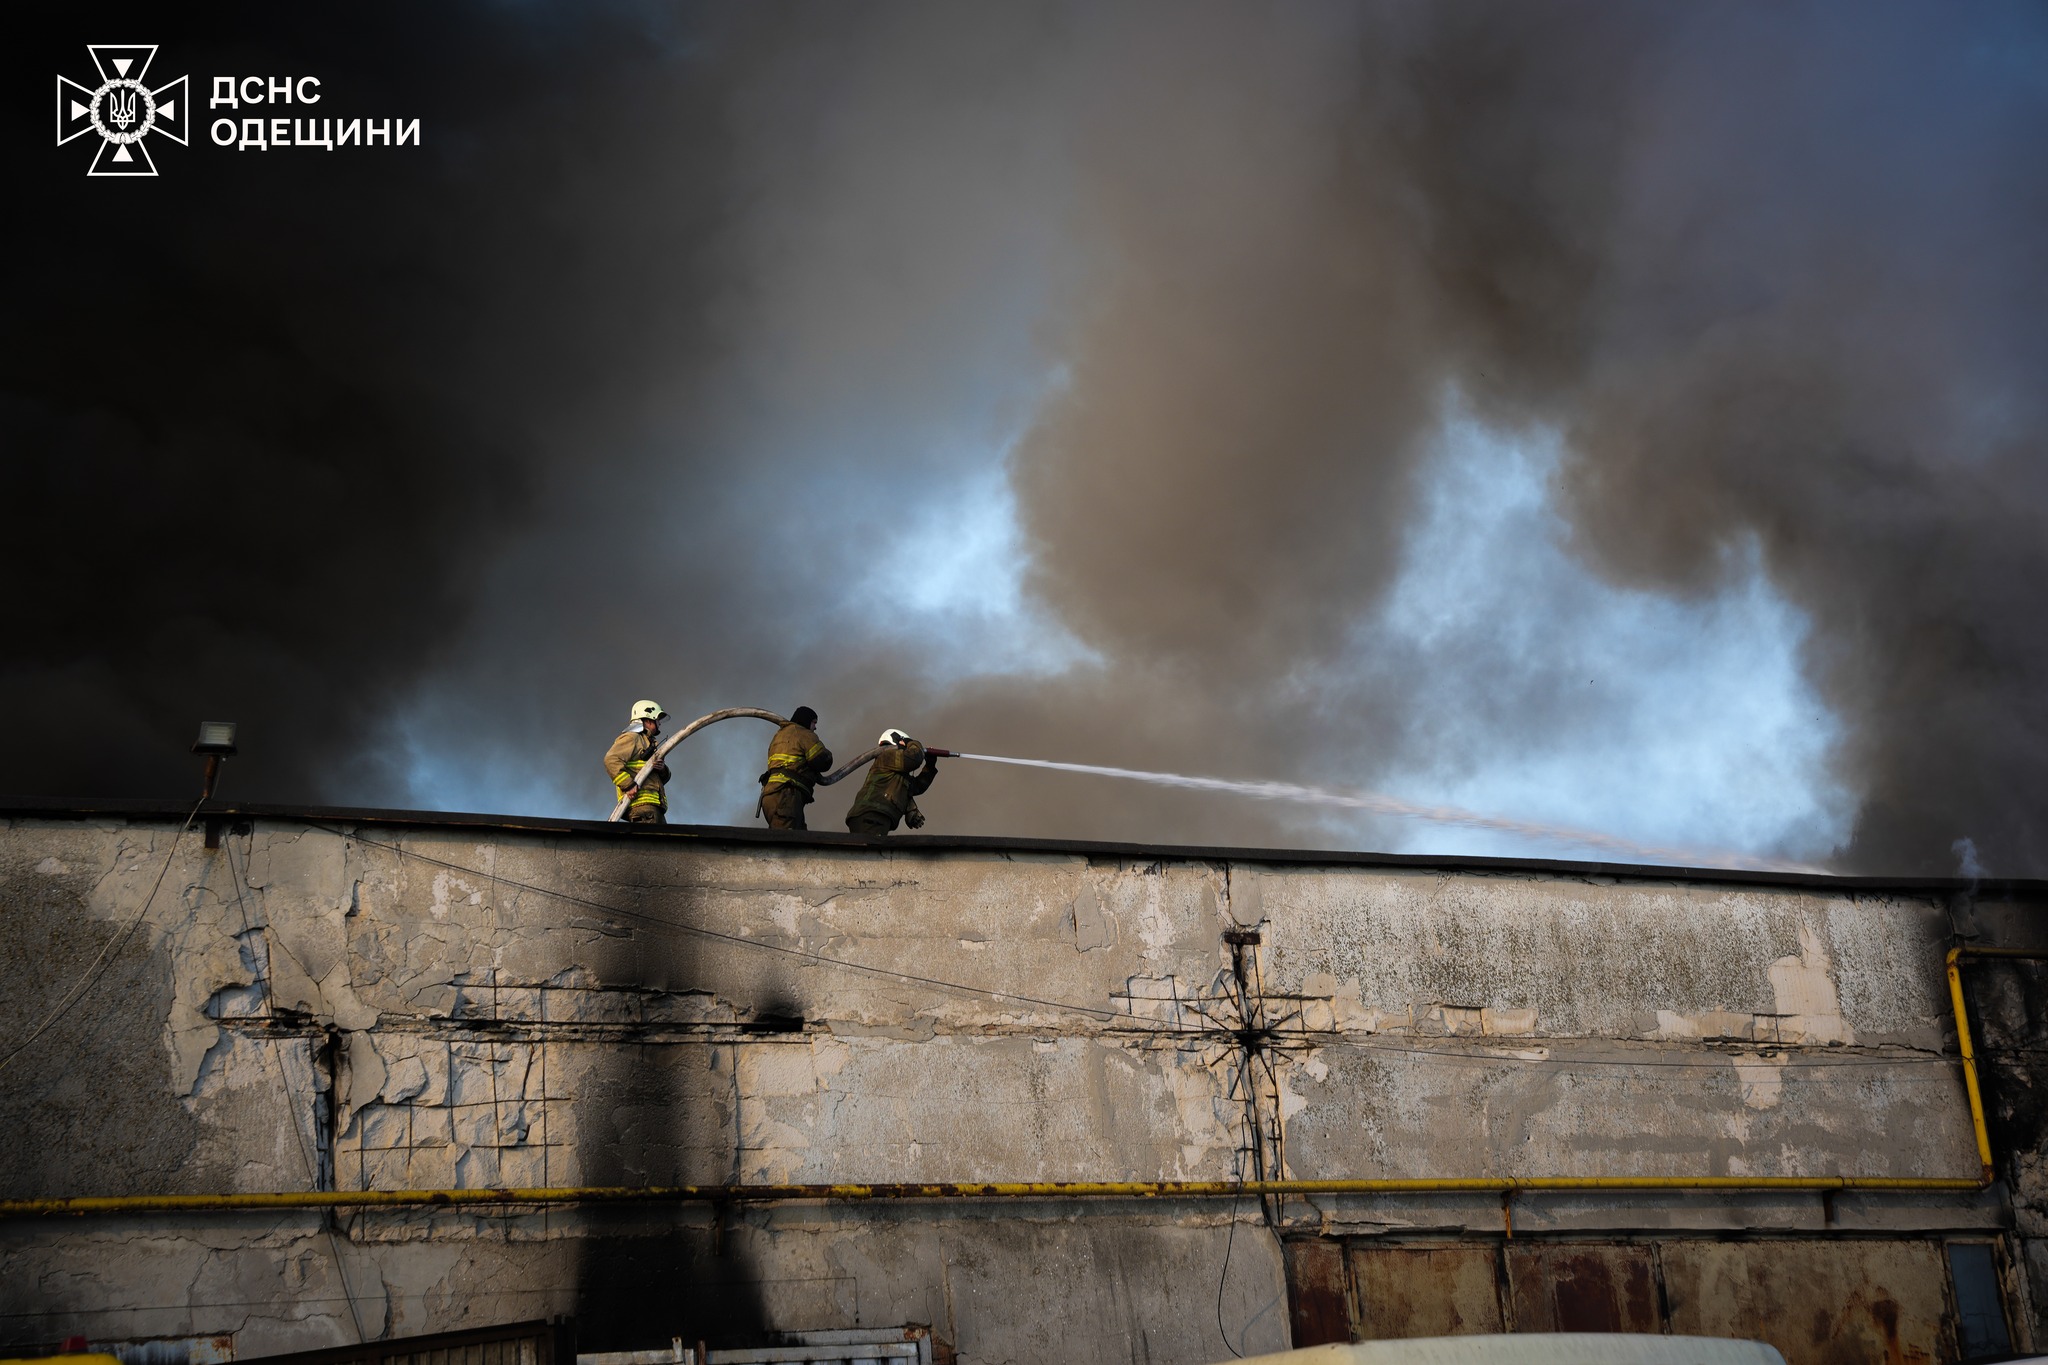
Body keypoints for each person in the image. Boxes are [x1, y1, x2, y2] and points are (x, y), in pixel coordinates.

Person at [845, 728, 940, 837]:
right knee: (870, 847)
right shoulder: (886, 755)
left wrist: (930, 766)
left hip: (877, 818)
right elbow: (913, 759)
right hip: (871, 815)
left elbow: (918, 786)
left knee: (873, 846)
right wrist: (914, 743)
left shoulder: (897, 775)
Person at [758, 705, 834, 831]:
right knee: (787, 839)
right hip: (787, 795)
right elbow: (822, 760)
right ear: (806, 720)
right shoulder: (803, 734)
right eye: (814, 722)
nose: (815, 727)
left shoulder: (779, 735)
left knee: (797, 835)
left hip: (770, 796)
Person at [604, 700, 672, 824]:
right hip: (642, 808)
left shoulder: (648, 742)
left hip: (653, 808)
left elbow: (659, 779)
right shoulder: (632, 737)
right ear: (648, 720)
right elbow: (611, 760)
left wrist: (662, 769)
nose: (659, 724)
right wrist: (628, 785)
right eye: (657, 720)